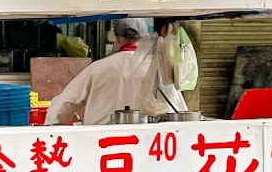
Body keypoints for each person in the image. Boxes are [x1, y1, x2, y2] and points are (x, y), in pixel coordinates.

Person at [46, 18, 183, 126]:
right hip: (149, 146)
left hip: (102, 146)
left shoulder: (97, 68)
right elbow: (181, 111)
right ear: (145, 37)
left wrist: (50, 133)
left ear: (117, 39)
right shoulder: (159, 70)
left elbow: (62, 106)